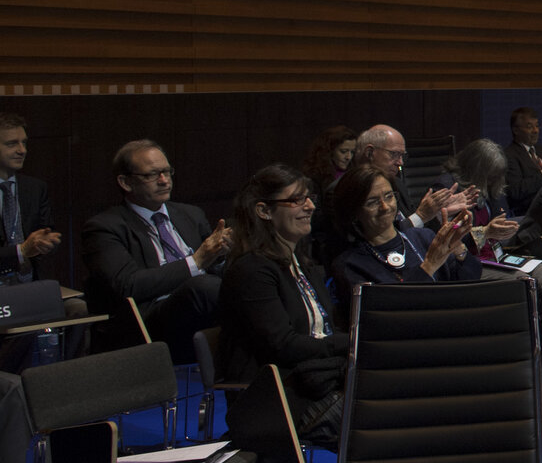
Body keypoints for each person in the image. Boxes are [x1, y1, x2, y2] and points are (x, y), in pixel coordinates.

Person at [216, 164, 349, 443]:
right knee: (386, 416)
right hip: (285, 399)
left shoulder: (304, 264)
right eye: (297, 200)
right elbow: (284, 346)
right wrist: (350, 342)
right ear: (264, 211)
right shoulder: (251, 271)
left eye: (309, 197)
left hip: (321, 383)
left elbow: (321, 331)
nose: (310, 206)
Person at [80, 139, 230, 353]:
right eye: (152, 174)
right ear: (125, 182)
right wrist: (195, 261)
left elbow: (216, 268)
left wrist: (222, 254)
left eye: (167, 172)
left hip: (201, 315)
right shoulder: (104, 228)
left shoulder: (190, 214)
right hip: (149, 323)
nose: (164, 181)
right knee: (204, 287)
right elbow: (127, 286)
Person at [327, 164, 485, 298]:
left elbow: (469, 285)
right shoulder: (350, 265)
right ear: (354, 212)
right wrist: (429, 266)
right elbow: (393, 314)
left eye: (389, 196)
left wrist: (458, 250)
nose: (385, 207)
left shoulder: (424, 237)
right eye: (372, 202)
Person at [0, 112, 58, 285]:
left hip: (29, 285)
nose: (22, 150)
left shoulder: (35, 188)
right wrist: (21, 251)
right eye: (12, 144)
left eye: (24, 142)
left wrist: (46, 242)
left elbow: (46, 233)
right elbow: (24, 248)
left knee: (78, 307)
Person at [503, 107, 542, 213]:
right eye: (529, 127)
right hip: (528, 214)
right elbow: (515, 190)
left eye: (537, 125)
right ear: (515, 130)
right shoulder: (508, 155)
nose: (535, 130)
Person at [301, 125, 357, 191]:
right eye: (343, 151)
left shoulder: (354, 173)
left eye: (352, 152)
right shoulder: (314, 177)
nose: (349, 157)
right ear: (330, 151)